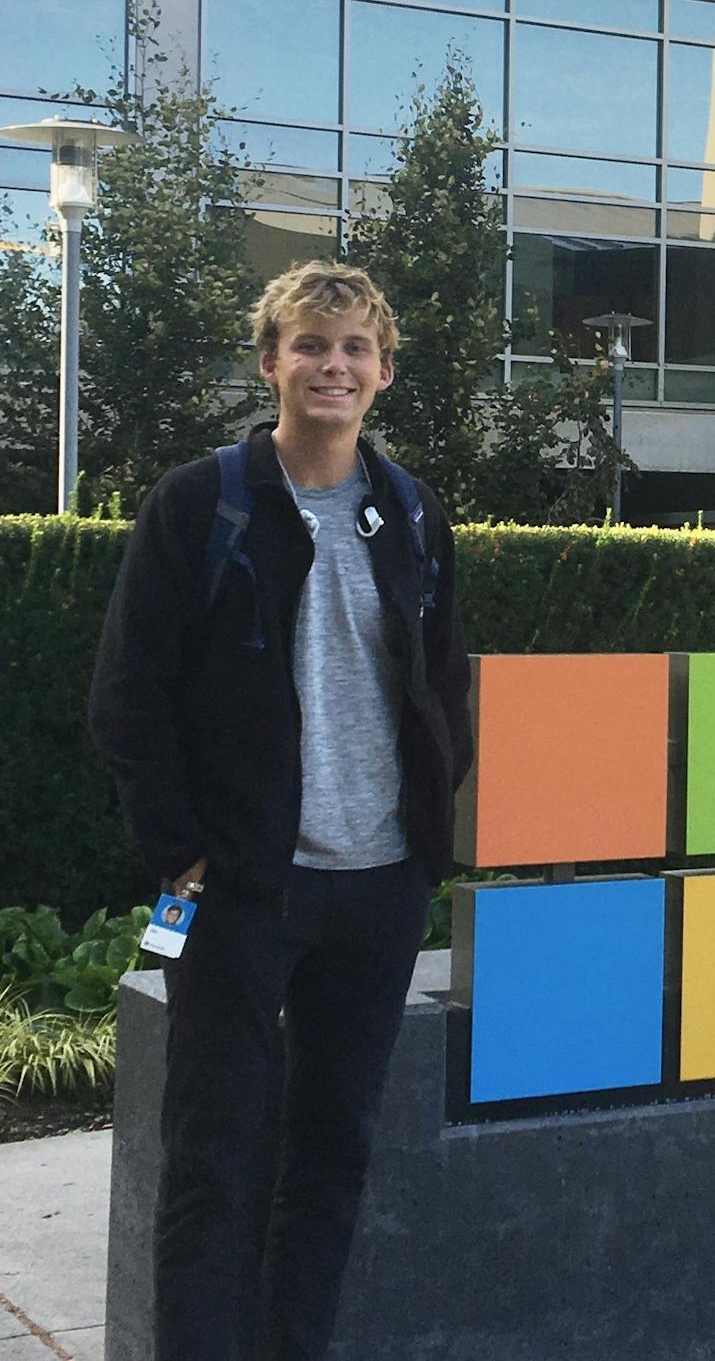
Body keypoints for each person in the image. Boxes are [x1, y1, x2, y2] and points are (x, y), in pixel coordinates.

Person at [90, 260, 473, 1361]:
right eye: (310, 345)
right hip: (242, 892)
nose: (333, 365)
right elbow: (130, 695)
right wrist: (182, 856)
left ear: (382, 372)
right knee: (216, 1163)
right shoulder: (200, 503)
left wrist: (421, 839)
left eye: (354, 348)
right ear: (271, 363)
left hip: (377, 888)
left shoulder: (407, 511)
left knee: (331, 1155)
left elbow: (441, 683)